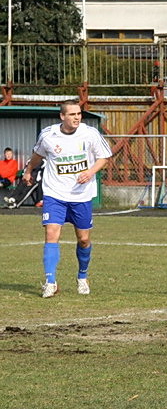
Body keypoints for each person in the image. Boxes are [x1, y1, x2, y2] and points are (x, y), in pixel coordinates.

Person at [22, 100, 112, 298]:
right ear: (62, 116)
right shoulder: (48, 135)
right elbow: (37, 155)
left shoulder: (89, 133)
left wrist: (90, 172)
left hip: (81, 195)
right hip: (55, 193)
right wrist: (29, 170)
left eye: (79, 114)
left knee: (84, 239)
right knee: (52, 234)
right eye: (72, 114)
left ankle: (82, 277)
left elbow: (104, 157)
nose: (77, 117)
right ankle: (50, 282)